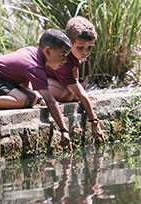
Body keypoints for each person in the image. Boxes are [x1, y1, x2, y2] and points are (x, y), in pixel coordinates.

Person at [0, 28, 73, 150]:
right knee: (22, 100)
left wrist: (36, 99)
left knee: (32, 98)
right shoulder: (35, 66)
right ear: (48, 51)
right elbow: (51, 102)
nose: (64, 61)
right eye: (63, 55)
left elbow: (25, 82)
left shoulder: (34, 53)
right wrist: (64, 130)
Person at [45, 16, 106, 144]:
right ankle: (38, 95)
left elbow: (75, 72)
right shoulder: (64, 58)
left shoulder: (74, 55)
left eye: (89, 47)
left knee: (74, 94)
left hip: (52, 80)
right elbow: (78, 90)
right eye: (80, 47)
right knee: (67, 94)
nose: (85, 52)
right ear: (69, 43)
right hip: (37, 80)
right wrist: (94, 121)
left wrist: (82, 95)